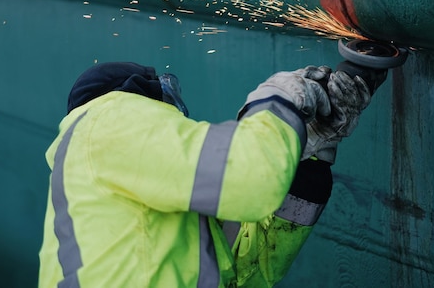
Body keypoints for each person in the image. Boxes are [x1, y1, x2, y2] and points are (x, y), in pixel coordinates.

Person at [38, 61, 373, 287]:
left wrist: (304, 155)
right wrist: (282, 99)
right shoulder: (109, 117)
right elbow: (250, 177)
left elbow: (247, 275)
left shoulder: (134, 204)